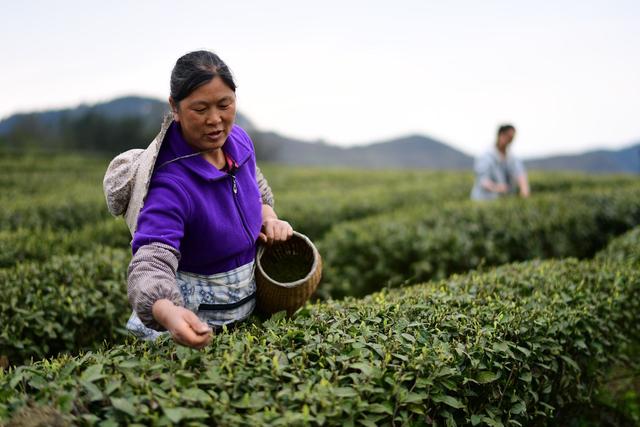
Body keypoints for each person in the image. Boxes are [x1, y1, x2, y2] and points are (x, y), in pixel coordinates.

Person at [103, 50, 293, 349]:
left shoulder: (239, 140)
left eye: (224, 104)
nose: (215, 120)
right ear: (174, 108)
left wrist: (268, 216)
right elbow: (150, 260)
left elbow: (254, 181)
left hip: (245, 303)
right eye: (200, 108)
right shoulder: (171, 184)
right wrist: (168, 311)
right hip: (192, 320)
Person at [470, 124, 530, 200]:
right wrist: (498, 188)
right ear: (500, 135)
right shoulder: (486, 156)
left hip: (503, 200)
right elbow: (483, 181)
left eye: (512, 139)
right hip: (484, 200)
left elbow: (520, 173)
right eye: (508, 137)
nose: (510, 141)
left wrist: (524, 190)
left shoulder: (512, 157)